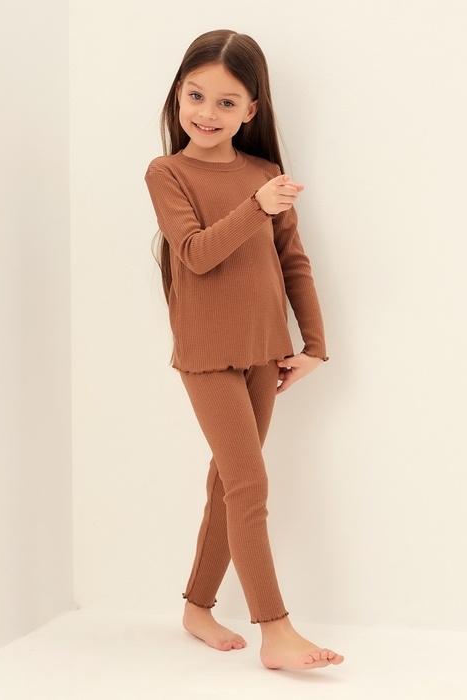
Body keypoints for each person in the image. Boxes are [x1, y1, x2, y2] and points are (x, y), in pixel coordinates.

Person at [144, 29, 344, 671]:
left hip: (265, 353)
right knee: (249, 483)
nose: (207, 113)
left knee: (227, 484)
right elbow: (196, 254)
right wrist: (257, 207)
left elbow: (293, 262)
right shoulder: (168, 173)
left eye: (227, 102)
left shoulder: (264, 176)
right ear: (178, 95)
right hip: (206, 354)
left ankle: (196, 607)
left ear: (251, 110)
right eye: (195, 96)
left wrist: (315, 346)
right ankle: (275, 630)